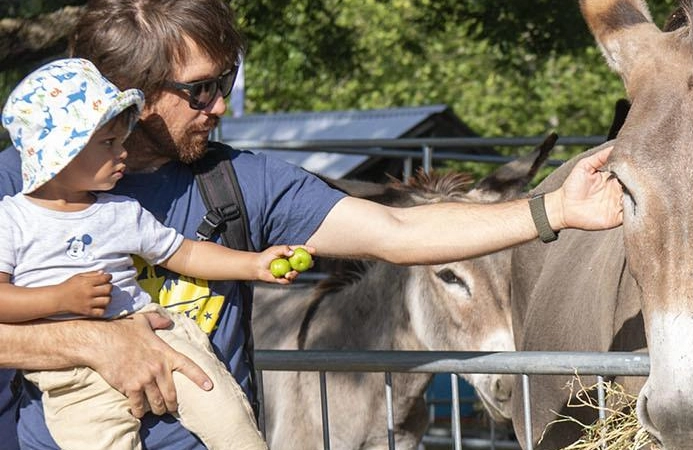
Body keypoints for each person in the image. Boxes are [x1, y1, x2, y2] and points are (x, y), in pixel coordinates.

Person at [0, 0, 624, 448]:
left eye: (227, 82)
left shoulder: (244, 181)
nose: (220, 105)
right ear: (128, 91)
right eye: (200, 90)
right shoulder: (15, 185)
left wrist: (555, 210)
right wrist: (93, 341)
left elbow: (398, 235)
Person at [0, 57, 315, 450]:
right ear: (63, 152)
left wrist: (254, 264)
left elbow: (183, 253)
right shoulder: (11, 219)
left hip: (153, 333)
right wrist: (58, 299)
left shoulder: (119, 210)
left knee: (224, 410)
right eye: (109, 143)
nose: (124, 152)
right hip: (71, 376)